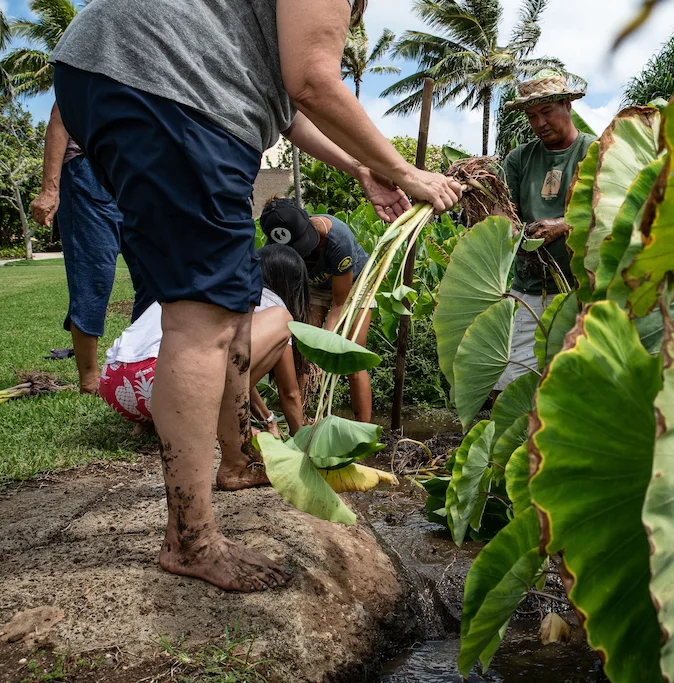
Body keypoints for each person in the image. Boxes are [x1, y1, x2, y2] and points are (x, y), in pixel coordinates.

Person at [50, 0, 462, 592]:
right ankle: (190, 539)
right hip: (170, 84)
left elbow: (287, 106)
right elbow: (313, 82)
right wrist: (406, 171)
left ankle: (238, 462)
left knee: (232, 298)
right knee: (205, 316)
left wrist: (361, 168)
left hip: (121, 75)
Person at [99, 244, 309, 438]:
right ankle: (223, 424)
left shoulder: (215, 282)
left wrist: (268, 421)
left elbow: (238, 366)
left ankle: (148, 424)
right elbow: (289, 393)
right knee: (283, 320)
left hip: (115, 384)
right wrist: (301, 439)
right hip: (162, 383)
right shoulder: (272, 304)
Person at [29, 103, 150, 395]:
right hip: (87, 170)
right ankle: (90, 380)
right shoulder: (88, 58)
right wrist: (50, 189)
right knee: (93, 275)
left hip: (135, 172)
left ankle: (137, 362)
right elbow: (60, 117)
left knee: (152, 275)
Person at [495, 70, 597, 389]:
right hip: (529, 288)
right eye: (532, 115)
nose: (539, 123)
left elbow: (615, 210)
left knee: (576, 381)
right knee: (514, 380)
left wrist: (564, 225)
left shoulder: (595, 153)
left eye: (547, 112)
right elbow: (506, 216)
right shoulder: (520, 159)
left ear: (567, 104)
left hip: (582, 288)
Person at [259, 198, 374, 422]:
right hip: (314, 287)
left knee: (353, 356)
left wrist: (325, 343)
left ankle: (364, 430)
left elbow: (340, 302)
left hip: (353, 285)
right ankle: (300, 428)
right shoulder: (275, 243)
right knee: (303, 355)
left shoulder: (337, 238)